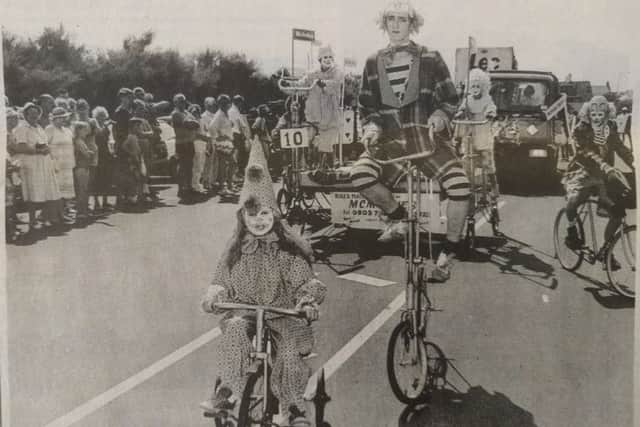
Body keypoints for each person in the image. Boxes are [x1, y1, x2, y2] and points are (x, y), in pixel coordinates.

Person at [199, 139, 326, 427]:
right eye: (252, 215)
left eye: (265, 214)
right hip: (245, 312)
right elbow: (221, 277)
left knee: (291, 352)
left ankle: (294, 409)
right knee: (233, 331)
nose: (259, 221)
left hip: (282, 313)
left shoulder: (287, 250)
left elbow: (306, 281)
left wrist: (306, 300)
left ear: (275, 216)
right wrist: (215, 294)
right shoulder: (236, 250)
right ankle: (228, 391)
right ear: (243, 218)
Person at [350, 0, 469, 282]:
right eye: (390, 18)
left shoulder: (431, 58)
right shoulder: (372, 62)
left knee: (460, 186)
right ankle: (399, 218)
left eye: (402, 19)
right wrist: (371, 128)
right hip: (391, 143)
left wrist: (440, 116)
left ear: (412, 24)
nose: (395, 24)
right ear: (384, 23)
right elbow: (367, 108)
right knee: (360, 175)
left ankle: (447, 254)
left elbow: (450, 99)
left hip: (426, 141)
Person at [563, 96, 634, 268]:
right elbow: (584, 150)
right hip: (583, 171)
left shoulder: (611, 127)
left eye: (601, 113)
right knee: (574, 201)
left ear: (607, 113)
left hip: (604, 176)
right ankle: (572, 232)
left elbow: (619, 147)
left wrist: (634, 161)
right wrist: (602, 164)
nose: (597, 117)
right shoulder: (581, 128)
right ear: (588, 113)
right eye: (594, 113)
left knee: (618, 214)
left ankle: (606, 252)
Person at [284, 45, 344, 170]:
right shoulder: (312, 74)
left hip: (330, 118)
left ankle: (326, 167)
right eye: (325, 57)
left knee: (324, 145)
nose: (328, 60)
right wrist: (287, 85)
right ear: (320, 59)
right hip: (313, 117)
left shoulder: (337, 72)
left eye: (330, 57)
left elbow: (334, 85)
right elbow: (300, 86)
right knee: (305, 139)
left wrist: (323, 84)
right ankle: (303, 166)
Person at [10, 102, 64, 233]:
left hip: (44, 163)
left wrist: (46, 149)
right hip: (30, 164)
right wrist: (39, 150)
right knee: (31, 192)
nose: (34, 116)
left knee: (45, 190)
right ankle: (32, 220)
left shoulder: (39, 128)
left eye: (36, 113)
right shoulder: (22, 128)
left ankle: (45, 218)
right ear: (26, 115)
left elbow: (44, 144)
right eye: (31, 113)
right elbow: (21, 147)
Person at [455, 68, 499, 206]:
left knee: (487, 163)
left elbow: (491, 108)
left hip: (483, 132)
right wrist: (460, 113)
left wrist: (490, 113)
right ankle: (469, 188)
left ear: (484, 87)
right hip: (470, 134)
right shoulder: (467, 99)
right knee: (467, 162)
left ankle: (493, 187)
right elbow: (462, 109)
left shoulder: (487, 99)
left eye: (478, 86)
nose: (475, 89)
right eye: (473, 86)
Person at [46, 107, 76, 222]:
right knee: (56, 191)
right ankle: (53, 216)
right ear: (54, 119)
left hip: (67, 165)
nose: (63, 120)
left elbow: (71, 147)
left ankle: (62, 213)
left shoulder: (67, 130)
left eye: (64, 117)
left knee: (65, 192)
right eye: (60, 118)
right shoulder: (50, 129)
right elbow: (45, 146)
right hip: (56, 165)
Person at [208, 94, 237, 196]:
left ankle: (229, 185)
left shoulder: (225, 114)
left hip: (228, 142)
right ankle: (223, 187)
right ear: (220, 104)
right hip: (222, 143)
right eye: (224, 103)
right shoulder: (219, 114)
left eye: (227, 102)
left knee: (231, 164)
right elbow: (211, 127)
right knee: (224, 165)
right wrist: (218, 137)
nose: (227, 105)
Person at [171, 93, 198, 199]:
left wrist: (192, 123)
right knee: (182, 166)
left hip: (189, 142)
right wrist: (192, 123)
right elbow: (189, 125)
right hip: (181, 143)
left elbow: (196, 123)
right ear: (175, 102)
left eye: (184, 101)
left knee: (189, 166)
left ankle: (189, 186)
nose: (183, 103)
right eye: (180, 101)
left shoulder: (186, 112)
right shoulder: (175, 113)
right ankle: (181, 188)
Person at [112, 87, 134, 207]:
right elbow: (118, 130)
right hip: (123, 144)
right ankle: (120, 197)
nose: (128, 99)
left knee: (129, 170)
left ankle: (127, 196)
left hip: (129, 142)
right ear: (121, 98)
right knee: (122, 171)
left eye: (129, 97)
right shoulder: (120, 111)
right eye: (126, 97)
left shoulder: (129, 111)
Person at [73, 121, 97, 225]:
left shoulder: (82, 141)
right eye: (84, 129)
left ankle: (83, 211)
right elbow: (87, 154)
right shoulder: (78, 141)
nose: (86, 131)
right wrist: (91, 152)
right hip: (81, 167)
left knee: (84, 189)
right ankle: (80, 212)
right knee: (81, 190)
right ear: (78, 130)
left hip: (84, 167)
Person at [92, 106, 116, 211]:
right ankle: (96, 202)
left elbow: (109, 139)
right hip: (97, 152)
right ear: (95, 116)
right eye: (99, 115)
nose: (101, 117)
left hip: (106, 153)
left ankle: (105, 201)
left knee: (107, 177)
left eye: (103, 115)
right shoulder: (94, 126)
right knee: (97, 178)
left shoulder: (106, 126)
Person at [229, 94, 252, 174]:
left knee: (241, 153)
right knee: (238, 153)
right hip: (236, 134)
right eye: (240, 103)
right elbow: (239, 124)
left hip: (237, 134)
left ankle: (238, 171)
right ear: (238, 102)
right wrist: (243, 135)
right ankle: (236, 172)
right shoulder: (233, 111)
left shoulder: (235, 110)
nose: (241, 105)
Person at [201, 97, 219, 192]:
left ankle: (213, 180)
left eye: (213, 105)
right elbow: (206, 130)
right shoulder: (204, 116)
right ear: (206, 105)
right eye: (210, 105)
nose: (212, 107)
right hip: (209, 141)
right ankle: (206, 181)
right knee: (208, 162)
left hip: (217, 140)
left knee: (216, 162)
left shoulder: (215, 115)